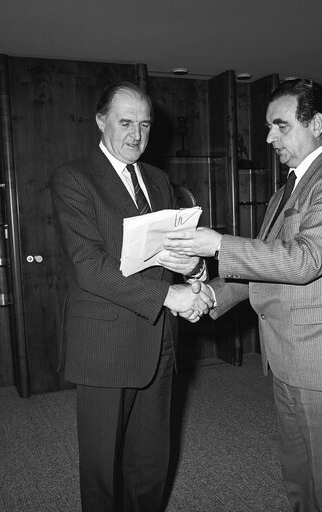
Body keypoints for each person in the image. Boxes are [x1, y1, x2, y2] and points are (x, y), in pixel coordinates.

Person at [162, 78, 322, 512]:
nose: (268, 137)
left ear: (315, 123)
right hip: (287, 356)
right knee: (299, 475)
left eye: (280, 126)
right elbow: (264, 269)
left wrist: (218, 244)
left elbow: (304, 261)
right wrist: (206, 295)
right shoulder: (286, 191)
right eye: (268, 126)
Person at [51, 81, 213, 512]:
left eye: (144, 124)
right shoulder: (73, 178)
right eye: (125, 123)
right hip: (104, 344)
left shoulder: (159, 180)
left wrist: (194, 272)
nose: (135, 135)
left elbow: (172, 251)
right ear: (101, 121)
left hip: (159, 340)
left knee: (151, 460)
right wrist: (169, 297)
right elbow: (90, 267)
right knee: (103, 470)